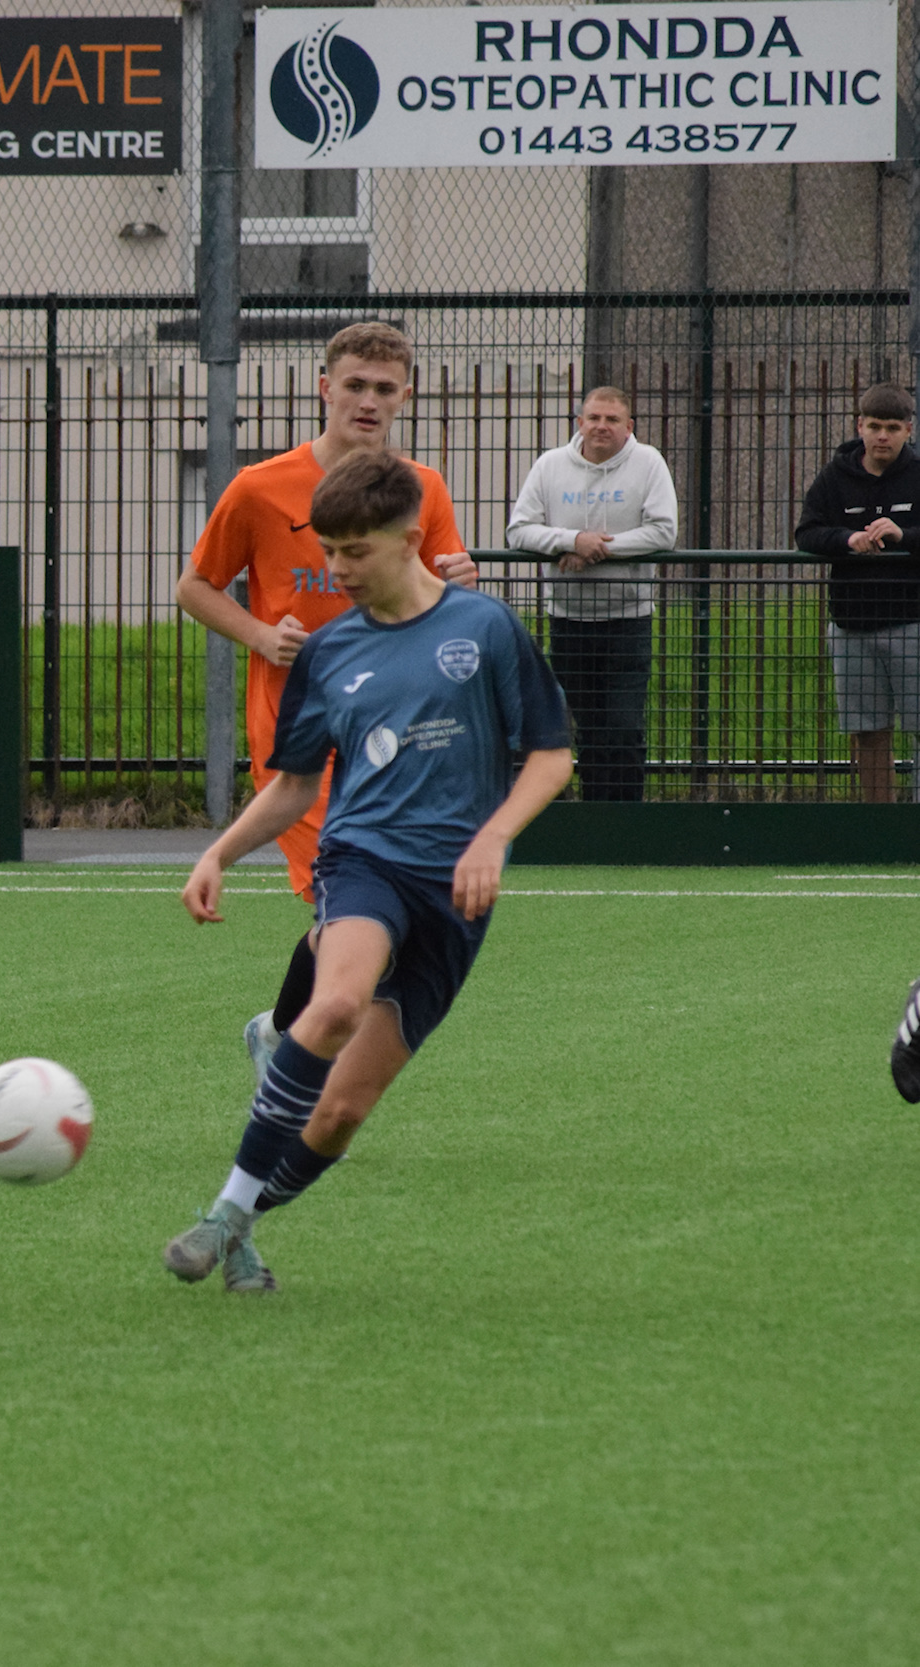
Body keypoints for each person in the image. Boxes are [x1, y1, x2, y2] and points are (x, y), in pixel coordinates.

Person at [163, 450, 571, 1294]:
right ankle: (224, 1210)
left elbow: (551, 756)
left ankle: (244, 1224)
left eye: (355, 551)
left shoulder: (486, 629)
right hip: (362, 859)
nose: (336, 569)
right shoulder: (326, 650)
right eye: (329, 550)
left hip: (455, 890)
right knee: (338, 1000)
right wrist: (217, 852)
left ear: (409, 538)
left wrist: (493, 837)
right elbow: (299, 784)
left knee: (342, 1114)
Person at [174, 322, 478, 1077]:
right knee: (354, 913)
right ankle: (300, 1063)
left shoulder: (423, 490)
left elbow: (430, 598)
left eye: (384, 388)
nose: (369, 401)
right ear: (324, 389)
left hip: (398, 736)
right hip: (301, 742)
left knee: (379, 923)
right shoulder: (259, 489)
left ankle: (279, 1033)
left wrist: (461, 587)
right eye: (355, 385)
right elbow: (194, 587)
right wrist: (256, 633)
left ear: (405, 396)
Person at [506, 387, 678, 802]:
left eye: (612, 420)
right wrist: (570, 539)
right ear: (579, 423)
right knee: (583, 728)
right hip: (568, 619)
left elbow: (663, 531)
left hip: (628, 618)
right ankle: (590, 820)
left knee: (623, 728)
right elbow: (519, 530)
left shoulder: (648, 463)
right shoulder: (550, 466)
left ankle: (623, 821)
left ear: (628, 427)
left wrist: (595, 550)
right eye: (594, 418)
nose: (602, 426)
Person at [795, 384, 920, 803]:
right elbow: (807, 532)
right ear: (859, 427)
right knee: (868, 732)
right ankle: (880, 823)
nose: (882, 436)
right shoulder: (834, 477)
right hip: (852, 628)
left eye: (891, 427)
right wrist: (847, 540)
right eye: (874, 426)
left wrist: (904, 535)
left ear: (908, 430)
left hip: (913, 624)